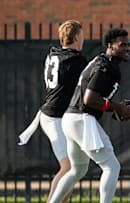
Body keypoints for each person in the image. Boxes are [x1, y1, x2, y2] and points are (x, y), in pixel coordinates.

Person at [48, 27, 130, 203]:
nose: (128, 48)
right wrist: (117, 107)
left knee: (77, 170)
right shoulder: (106, 66)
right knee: (112, 166)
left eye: (129, 45)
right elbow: (90, 98)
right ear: (110, 46)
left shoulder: (101, 60)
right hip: (82, 119)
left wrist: (114, 107)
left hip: (71, 118)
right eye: (122, 45)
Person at [18, 20, 87, 203]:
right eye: (82, 35)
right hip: (54, 118)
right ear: (77, 37)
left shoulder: (54, 53)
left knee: (74, 170)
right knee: (69, 167)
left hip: (57, 116)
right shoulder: (75, 60)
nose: (84, 39)